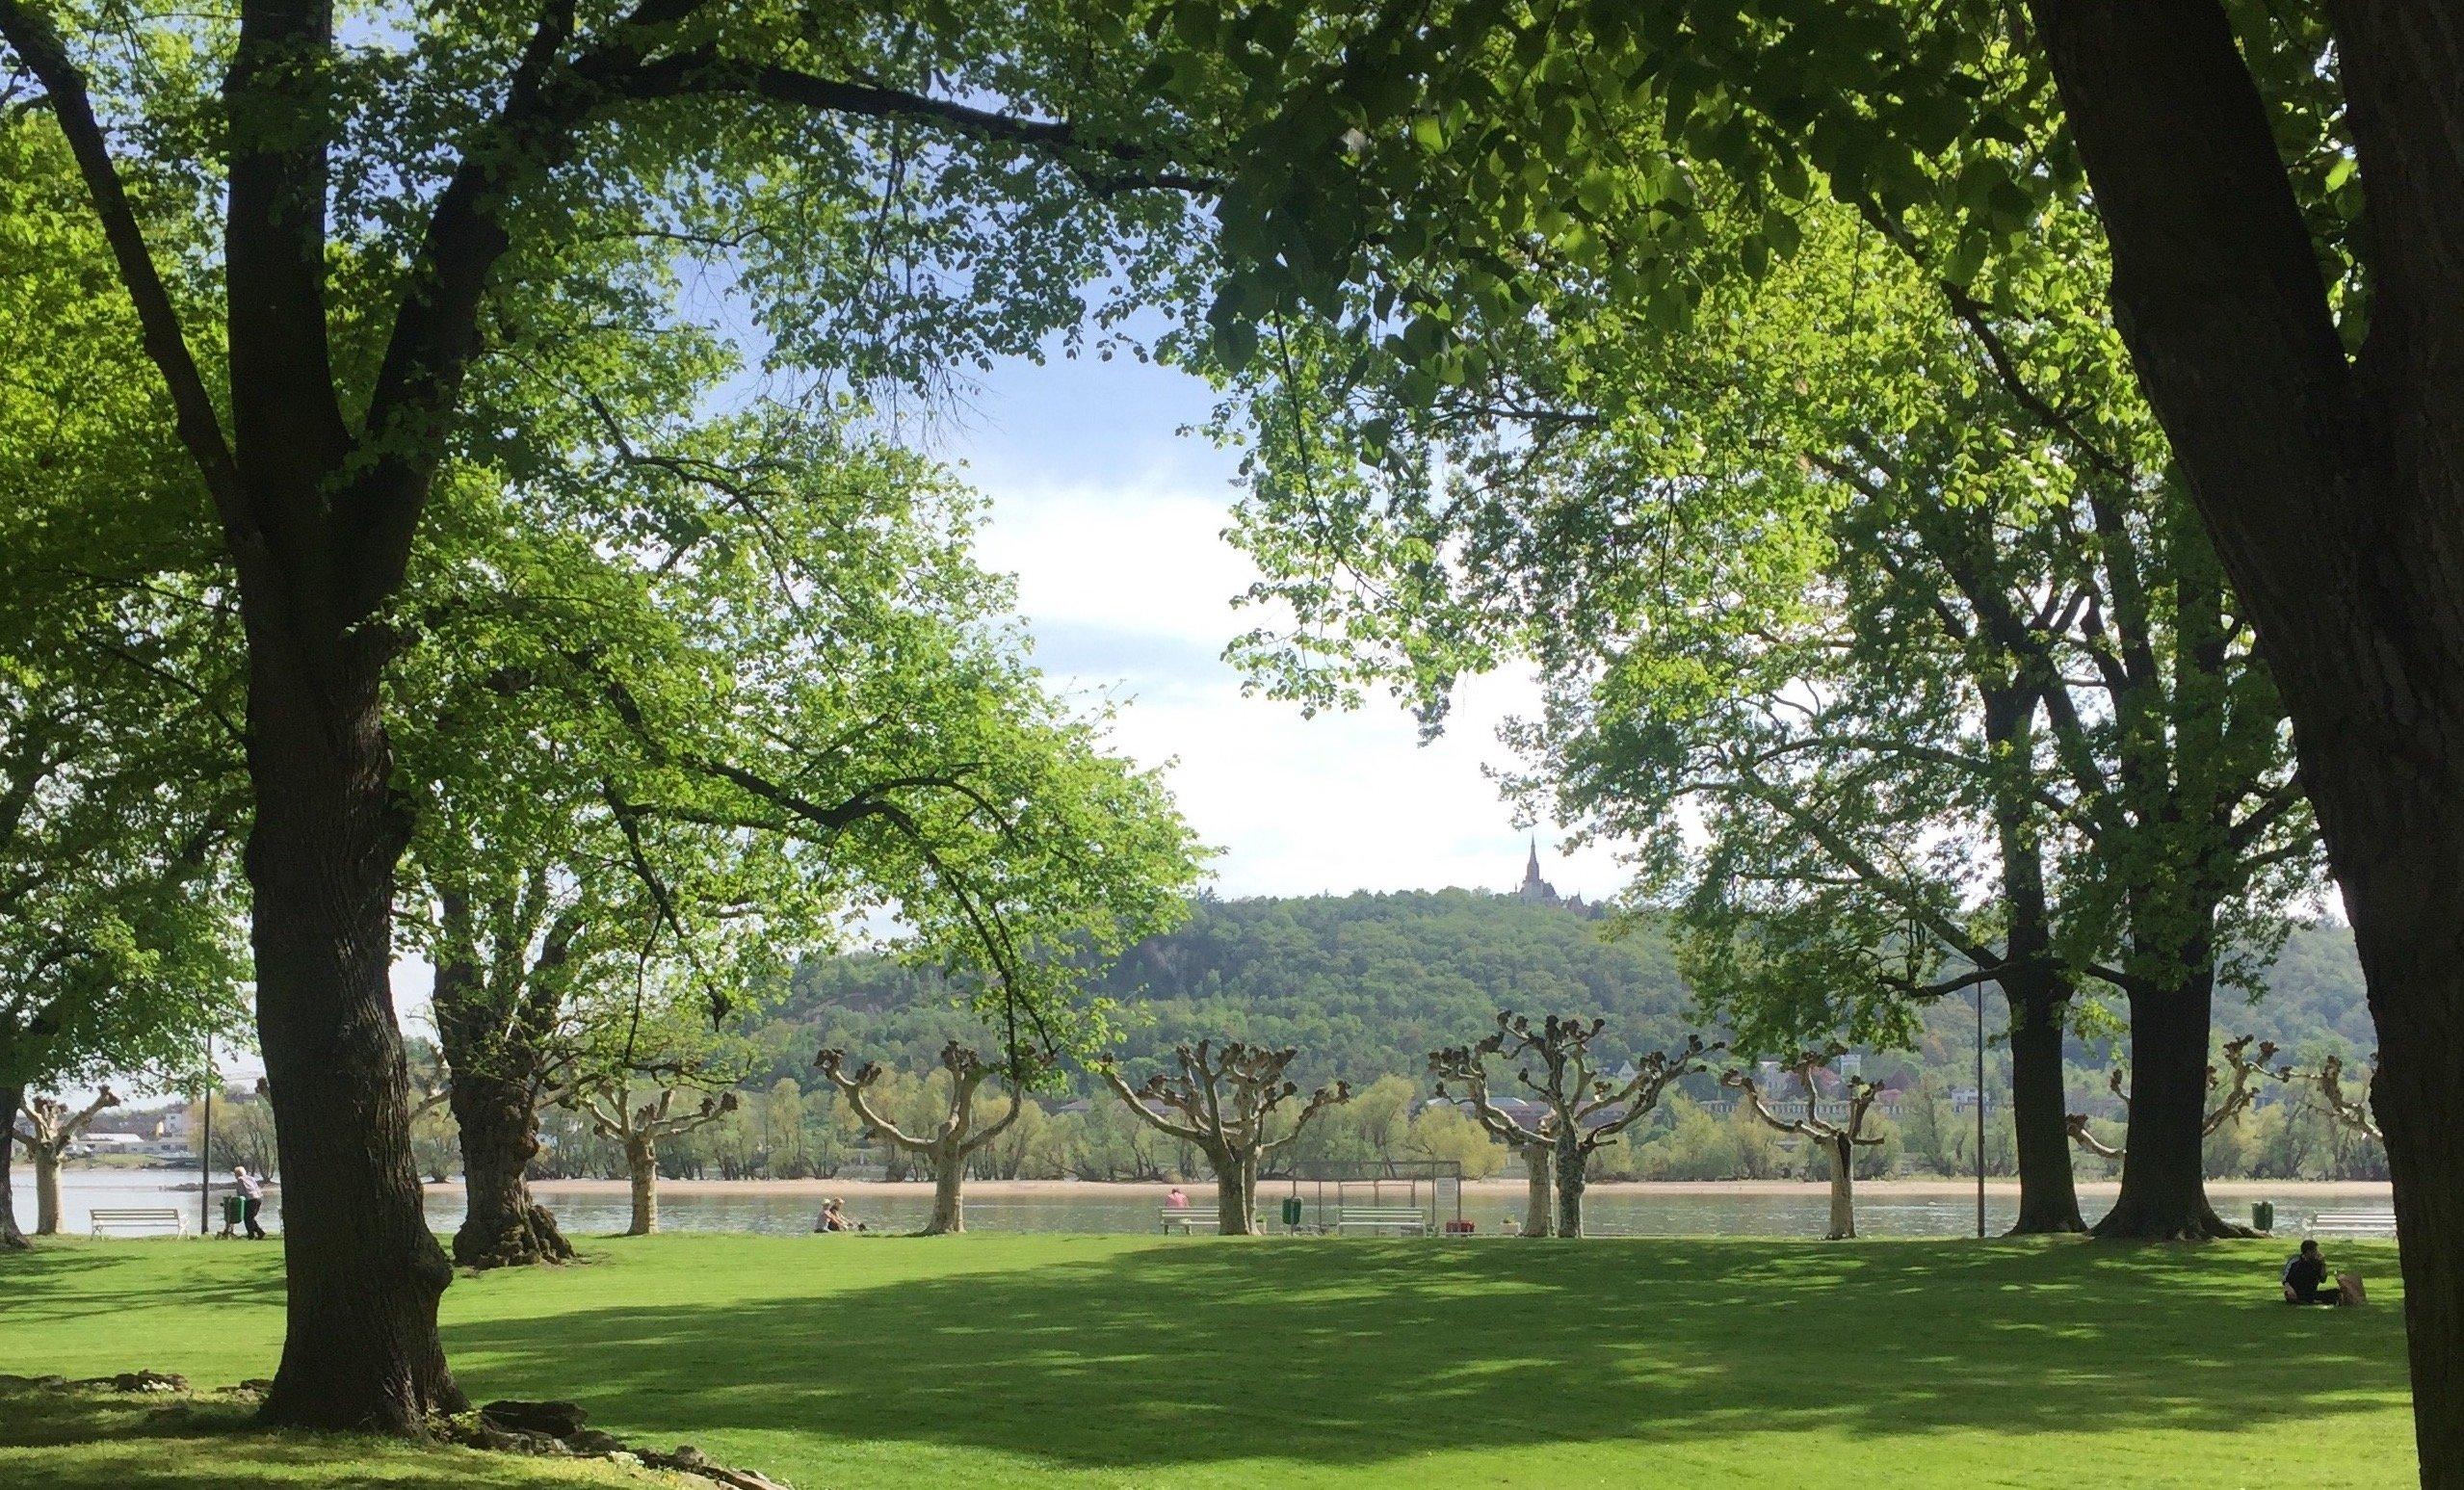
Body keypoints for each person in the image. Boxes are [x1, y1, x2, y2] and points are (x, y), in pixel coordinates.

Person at [2282, 1239, 2346, 1305]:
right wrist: (2289, 1289)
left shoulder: (2317, 1263)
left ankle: (2314, 1301)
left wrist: (2323, 1264)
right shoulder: (2295, 1261)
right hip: (2295, 1291)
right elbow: (2285, 1279)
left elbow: (2323, 1279)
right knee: (2294, 1296)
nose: (2317, 1253)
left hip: (2311, 1292)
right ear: (2308, 1252)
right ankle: (2318, 1301)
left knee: (2336, 1292)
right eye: (2315, 1250)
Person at [232, 1164, 267, 1241]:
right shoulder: (251, 1178)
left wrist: (238, 1201)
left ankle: (251, 1235)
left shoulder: (240, 1180)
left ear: (237, 1174)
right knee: (250, 1218)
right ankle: (259, 1232)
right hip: (258, 1198)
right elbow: (257, 1189)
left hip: (250, 1200)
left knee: (247, 1218)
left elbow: (241, 1193)